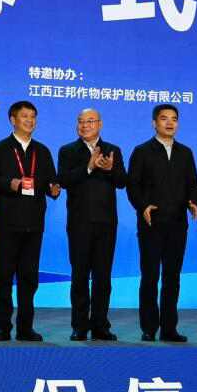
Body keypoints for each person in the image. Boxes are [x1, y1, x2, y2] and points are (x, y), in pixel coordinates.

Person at [0, 100, 58, 342]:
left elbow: (50, 181)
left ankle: (26, 328)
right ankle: (3, 327)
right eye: (25, 116)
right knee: (4, 277)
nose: (30, 121)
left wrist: (54, 189)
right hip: (6, 224)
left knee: (29, 278)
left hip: (33, 224)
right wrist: (10, 183)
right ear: (12, 120)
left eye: (33, 117)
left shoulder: (42, 151)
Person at [127, 103, 197, 342]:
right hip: (151, 224)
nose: (170, 123)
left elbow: (193, 184)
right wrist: (142, 206)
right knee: (150, 277)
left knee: (172, 278)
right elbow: (133, 185)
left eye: (174, 119)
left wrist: (193, 202)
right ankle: (149, 328)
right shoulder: (142, 151)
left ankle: (169, 328)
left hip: (177, 223)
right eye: (164, 118)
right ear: (154, 123)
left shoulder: (185, 153)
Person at [55, 108, 126, 341]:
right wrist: (88, 167)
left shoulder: (112, 150)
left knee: (103, 277)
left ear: (100, 124)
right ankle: (79, 326)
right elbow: (63, 180)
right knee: (79, 276)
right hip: (79, 223)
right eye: (81, 121)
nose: (84, 125)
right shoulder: (68, 151)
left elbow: (122, 182)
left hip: (106, 223)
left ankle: (100, 325)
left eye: (90, 121)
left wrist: (110, 169)